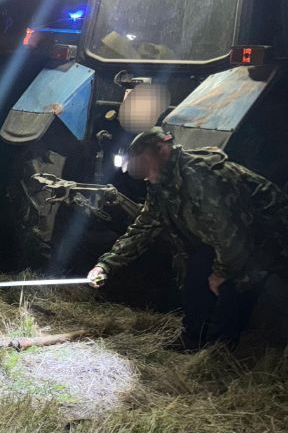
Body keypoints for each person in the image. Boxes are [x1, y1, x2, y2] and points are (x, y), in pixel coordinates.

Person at [87, 126, 288, 349]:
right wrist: (105, 265)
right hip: (223, 239)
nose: (147, 176)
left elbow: (233, 233)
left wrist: (221, 273)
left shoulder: (201, 176)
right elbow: (143, 228)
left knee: (233, 285)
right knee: (197, 273)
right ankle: (194, 338)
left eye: (146, 165)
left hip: (267, 237)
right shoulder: (160, 182)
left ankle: (222, 350)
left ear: (162, 150)